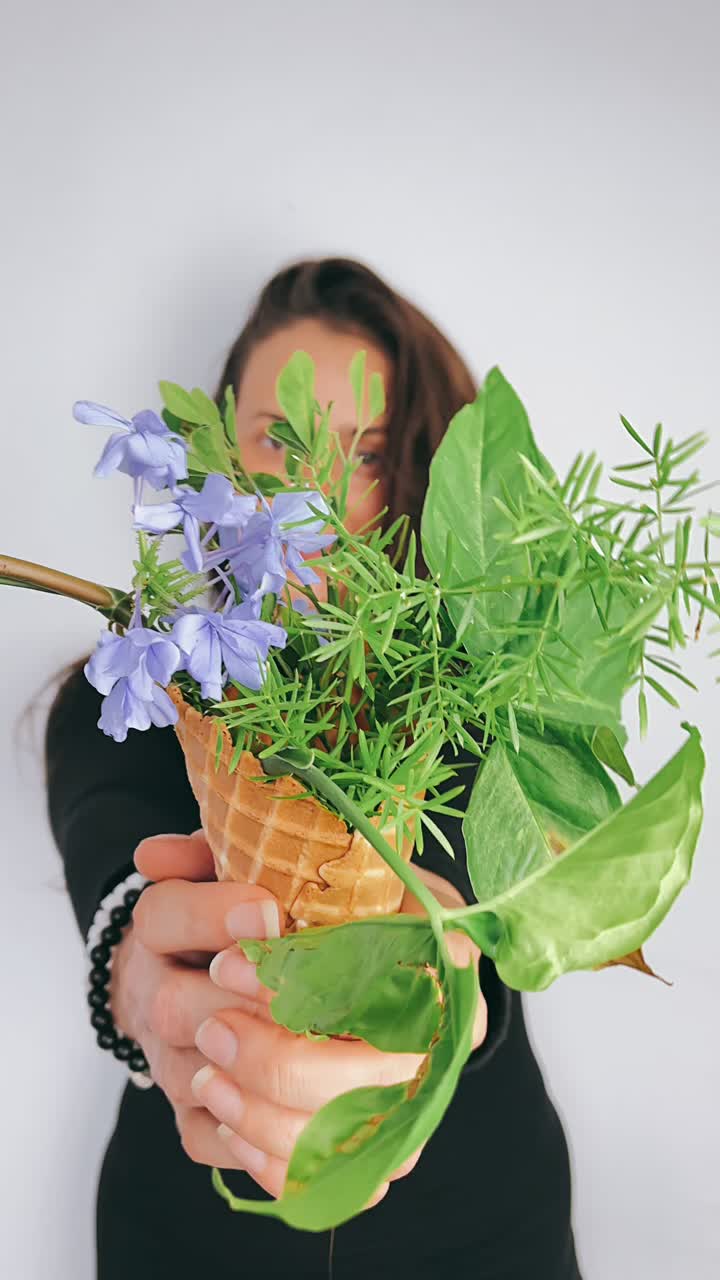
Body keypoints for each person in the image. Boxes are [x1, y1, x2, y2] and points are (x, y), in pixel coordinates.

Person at [46, 257, 583, 1279]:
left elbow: (478, 902)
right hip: (187, 1243)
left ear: (423, 473)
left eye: (369, 451)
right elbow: (118, 872)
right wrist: (146, 980)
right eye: (279, 440)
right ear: (212, 455)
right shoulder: (121, 691)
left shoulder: (481, 695)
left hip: (485, 1231)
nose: (321, 492)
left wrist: (445, 988)